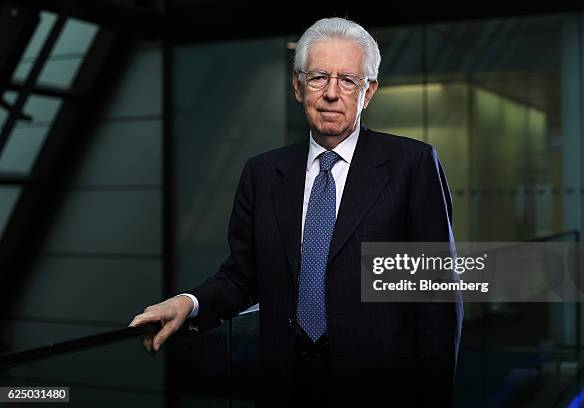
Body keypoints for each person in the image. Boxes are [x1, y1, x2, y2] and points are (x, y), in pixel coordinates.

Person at [130, 17, 463, 407]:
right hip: (285, 385)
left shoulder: (413, 164)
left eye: (348, 80)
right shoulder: (263, 173)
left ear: (368, 91)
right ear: (297, 85)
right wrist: (190, 303)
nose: (332, 94)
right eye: (319, 77)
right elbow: (243, 274)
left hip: (381, 387)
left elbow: (437, 296)